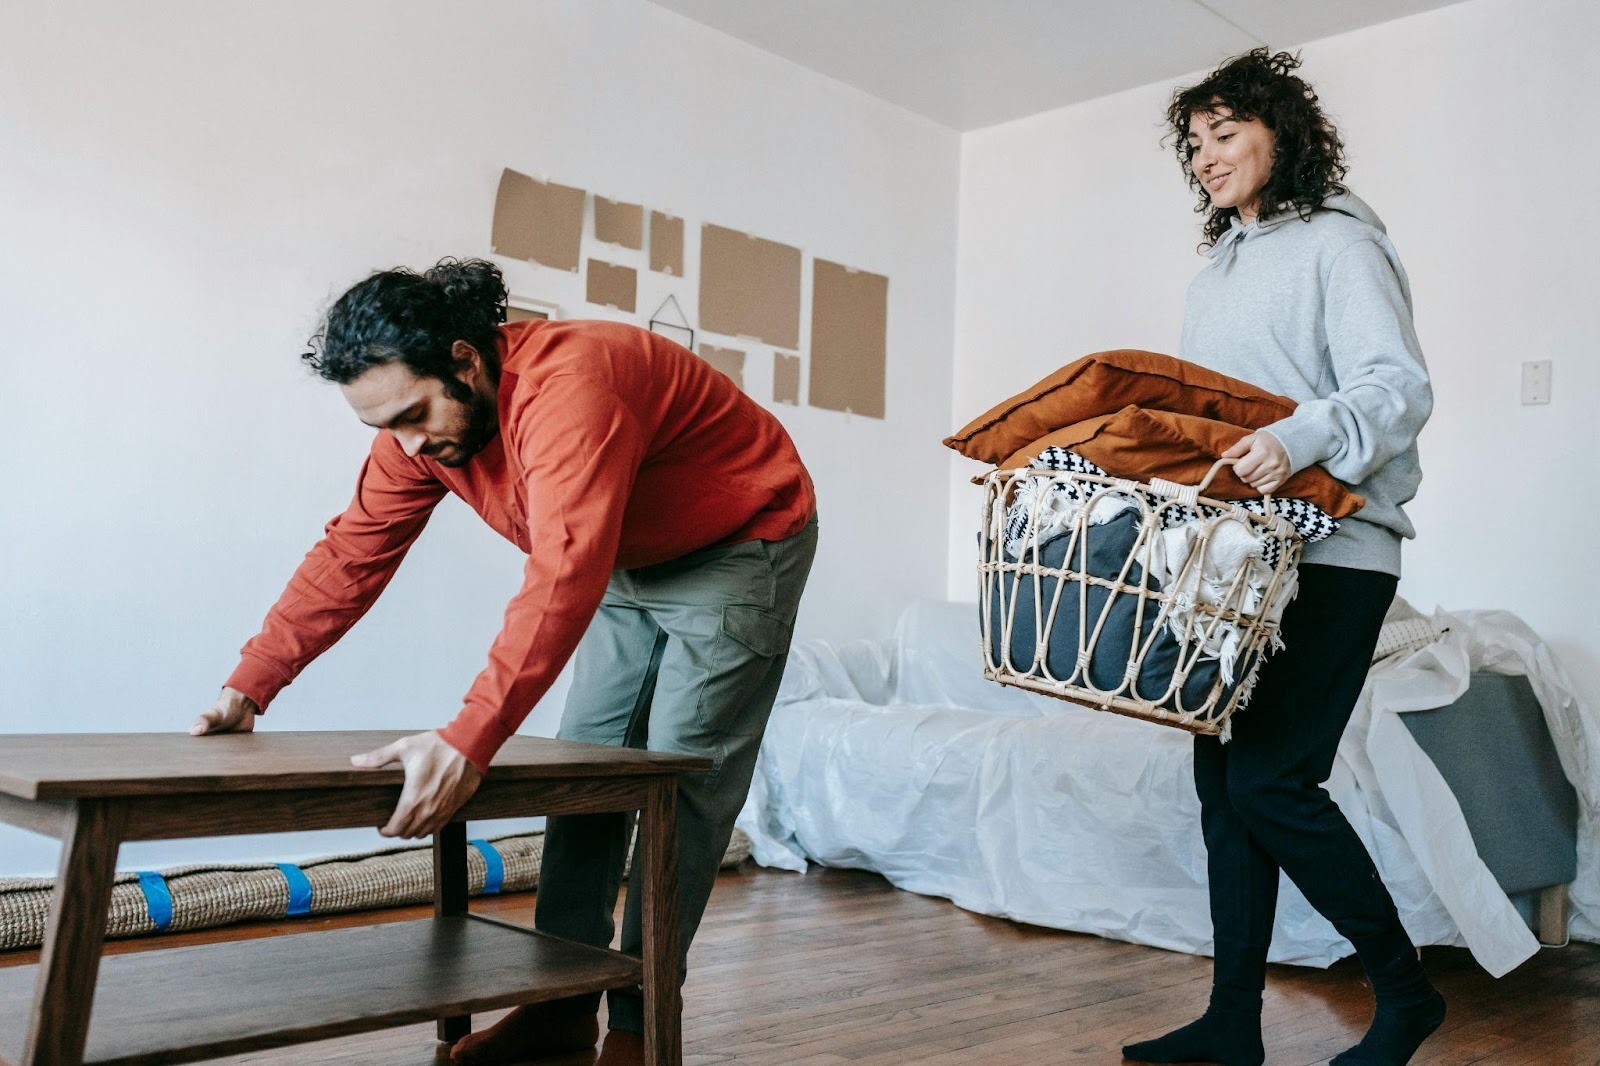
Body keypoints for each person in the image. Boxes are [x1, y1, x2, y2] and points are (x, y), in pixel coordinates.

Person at [191, 258, 818, 1066]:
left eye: (414, 414)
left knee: (682, 782)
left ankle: (640, 1027)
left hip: (739, 539)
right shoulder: (416, 439)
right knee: (587, 771)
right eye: (384, 426)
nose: (409, 444)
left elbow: (562, 571)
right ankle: (559, 1016)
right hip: (626, 550)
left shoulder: (572, 386)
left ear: (465, 358)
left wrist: (467, 738)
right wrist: (251, 685)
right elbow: (352, 553)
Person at [1121, 50, 1440, 1066]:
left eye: (1225, 132)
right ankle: (1231, 1020)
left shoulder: (1341, 247)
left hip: (1336, 554)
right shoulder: (1213, 276)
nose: (1206, 157)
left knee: (1270, 782)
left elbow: (1397, 387)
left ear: (1280, 131)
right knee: (1222, 790)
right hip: (1234, 560)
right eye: (1194, 144)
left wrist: (1298, 439)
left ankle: (1404, 995)